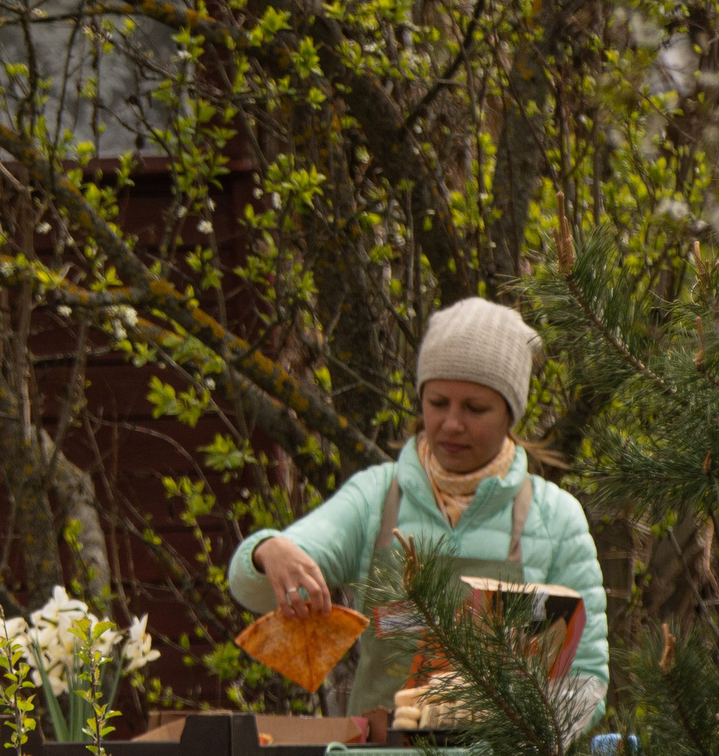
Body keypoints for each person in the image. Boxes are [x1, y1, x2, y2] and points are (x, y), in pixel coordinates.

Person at [229, 296, 608, 721]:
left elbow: (588, 680)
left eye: (475, 408)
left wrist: (516, 728)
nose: (451, 423)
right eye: (438, 402)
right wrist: (270, 552)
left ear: (510, 413)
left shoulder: (556, 518)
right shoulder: (377, 497)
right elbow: (254, 587)